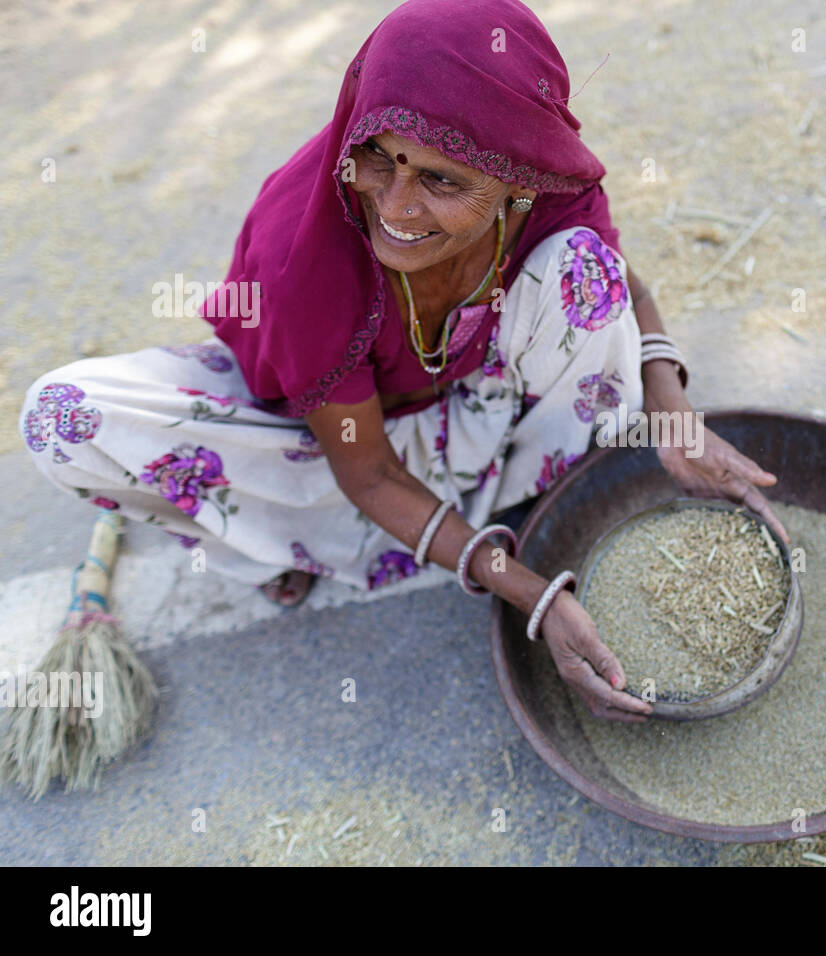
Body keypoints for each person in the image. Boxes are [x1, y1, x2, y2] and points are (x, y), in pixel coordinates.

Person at [18, 0, 786, 723]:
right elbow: (369, 473)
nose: (394, 205)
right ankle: (395, 528)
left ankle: (539, 486)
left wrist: (674, 416)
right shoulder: (306, 254)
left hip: (488, 414)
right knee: (61, 417)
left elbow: (624, 286)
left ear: (517, 175)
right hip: (341, 452)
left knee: (587, 274)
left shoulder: (541, 192)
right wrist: (532, 594)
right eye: (377, 158)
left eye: (441, 179)